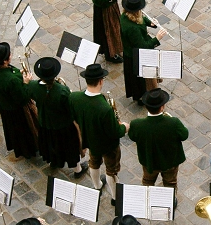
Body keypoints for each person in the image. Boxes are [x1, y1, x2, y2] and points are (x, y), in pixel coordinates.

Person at [70, 63, 127, 198]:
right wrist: (125, 127)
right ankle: (115, 197)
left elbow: (74, 117)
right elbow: (115, 132)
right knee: (111, 170)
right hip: (108, 145)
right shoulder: (104, 108)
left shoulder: (74, 98)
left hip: (89, 139)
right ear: (101, 81)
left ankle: (97, 186)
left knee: (94, 162)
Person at [27, 57, 85, 171]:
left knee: (50, 145)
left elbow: (30, 92)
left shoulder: (33, 86)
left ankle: (53, 162)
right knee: (70, 148)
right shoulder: (62, 91)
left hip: (45, 124)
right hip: (64, 126)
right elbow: (70, 109)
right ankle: (77, 170)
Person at [128, 88, 189, 192]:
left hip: (149, 162)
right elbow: (184, 135)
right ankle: (171, 199)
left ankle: (148, 198)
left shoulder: (136, 124)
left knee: (147, 182)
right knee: (170, 183)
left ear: (146, 107)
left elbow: (132, 137)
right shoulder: (174, 123)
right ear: (162, 107)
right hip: (170, 162)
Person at [0, 43, 40, 160]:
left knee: (14, 131)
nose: (11, 55)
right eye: (9, 55)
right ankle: (30, 149)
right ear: (5, 61)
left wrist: (18, 74)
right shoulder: (11, 80)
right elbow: (22, 98)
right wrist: (26, 83)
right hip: (17, 110)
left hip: (5, 104)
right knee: (24, 131)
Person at [119, 0, 166, 103]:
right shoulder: (132, 28)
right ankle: (142, 97)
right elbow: (143, 47)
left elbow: (141, 20)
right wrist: (157, 38)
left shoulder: (125, 15)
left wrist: (151, 23)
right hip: (135, 56)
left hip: (132, 51)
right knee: (140, 81)